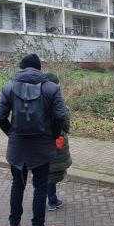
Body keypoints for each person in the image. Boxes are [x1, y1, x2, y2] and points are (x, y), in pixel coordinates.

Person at [0, 53, 66, 226]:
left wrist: (11, 133)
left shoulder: (9, 87)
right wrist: (53, 135)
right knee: (40, 186)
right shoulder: (52, 87)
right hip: (42, 145)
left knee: (18, 184)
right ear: (39, 68)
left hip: (17, 146)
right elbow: (60, 116)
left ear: (22, 68)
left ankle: (14, 225)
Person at [44, 72, 72, 211]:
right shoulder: (58, 100)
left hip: (40, 142)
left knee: (44, 172)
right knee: (52, 173)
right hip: (56, 142)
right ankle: (52, 201)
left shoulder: (35, 98)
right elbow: (65, 125)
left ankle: (46, 198)